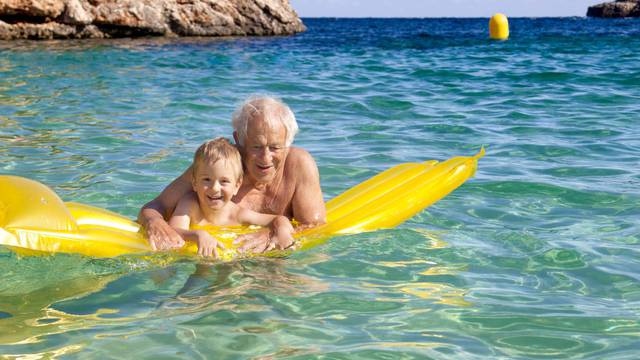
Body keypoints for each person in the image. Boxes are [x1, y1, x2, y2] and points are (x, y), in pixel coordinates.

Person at [138, 96, 326, 253]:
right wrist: (155, 223)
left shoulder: (299, 165)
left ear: (287, 142)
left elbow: (315, 228)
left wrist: (271, 232)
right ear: (239, 139)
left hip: (277, 256)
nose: (266, 158)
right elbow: (156, 205)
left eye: (275, 147)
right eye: (256, 147)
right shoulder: (218, 166)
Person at [169, 137, 294, 258]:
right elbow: (172, 231)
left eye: (224, 181)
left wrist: (282, 231)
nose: (215, 188)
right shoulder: (190, 204)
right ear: (195, 182)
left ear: (236, 186)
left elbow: (278, 219)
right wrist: (197, 234)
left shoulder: (237, 215)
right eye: (206, 179)